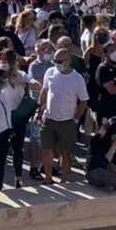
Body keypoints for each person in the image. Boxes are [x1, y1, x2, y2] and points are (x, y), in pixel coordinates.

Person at [36, 47, 89, 184]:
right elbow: (44, 91)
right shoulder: (50, 72)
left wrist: (76, 118)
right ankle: (48, 178)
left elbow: (83, 100)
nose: (57, 63)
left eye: (60, 61)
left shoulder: (77, 78)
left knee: (65, 153)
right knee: (46, 150)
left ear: (69, 60)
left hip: (67, 121)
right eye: (55, 61)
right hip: (48, 118)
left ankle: (64, 179)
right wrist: (39, 110)